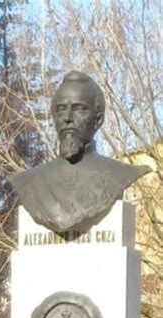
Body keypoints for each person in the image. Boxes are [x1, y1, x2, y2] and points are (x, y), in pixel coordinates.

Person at [10, 71, 150, 233]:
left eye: (79, 109)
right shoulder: (28, 182)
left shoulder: (120, 174)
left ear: (98, 120)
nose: (68, 117)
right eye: (61, 109)